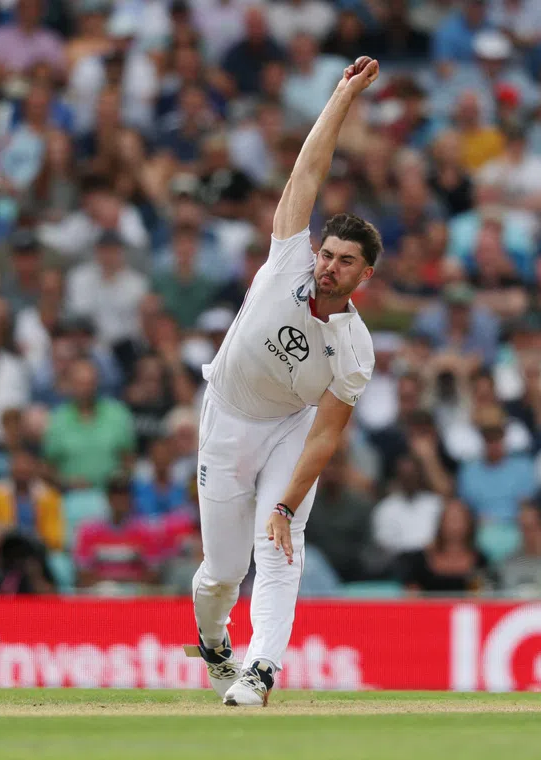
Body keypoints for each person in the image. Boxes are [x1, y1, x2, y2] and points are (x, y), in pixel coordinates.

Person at [190, 56, 380, 707]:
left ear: (363, 277)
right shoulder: (288, 254)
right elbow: (308, 171)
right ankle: (215, 640)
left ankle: (261, 669)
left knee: (279, 546)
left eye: (344, 262)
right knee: (222, 572)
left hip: (288, 432)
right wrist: (341, 97)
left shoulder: (354, 349)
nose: (328, 266)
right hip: (227, 417)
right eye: (328, 254)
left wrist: (285, 503)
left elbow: (326, 435)